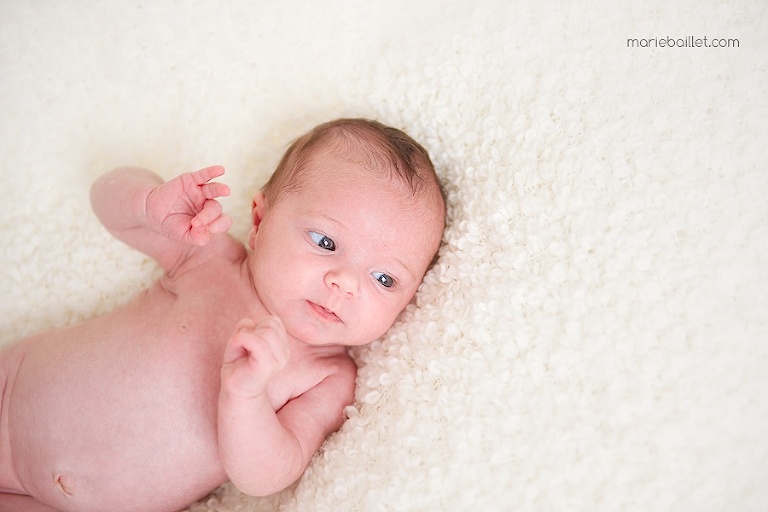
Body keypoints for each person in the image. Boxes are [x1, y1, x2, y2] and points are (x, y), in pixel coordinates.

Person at [0, 118, 446, 512]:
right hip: (10, 393)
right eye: (326, 242)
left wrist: (246, 397)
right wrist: (149, 203)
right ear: (259, 220)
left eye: (385, 280)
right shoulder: (211, 258)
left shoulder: (327, 377)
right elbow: (107, 203)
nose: (345, 283)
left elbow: (268, 475)